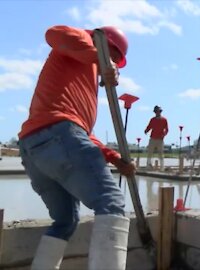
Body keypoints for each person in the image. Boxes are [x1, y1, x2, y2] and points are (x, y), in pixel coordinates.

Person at [18, 25, 135, 270]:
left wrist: (114, 158)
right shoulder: (82, 39)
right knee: (111, 202)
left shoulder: (83, 78)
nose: (112, 64)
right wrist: (100, 58)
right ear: (105, 44)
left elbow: (81, 133)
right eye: (113, 56)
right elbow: (52, 33)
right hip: (58, 134)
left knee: (65, 220)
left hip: (35, 145)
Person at [144, 105, 169, 170]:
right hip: (152, 138)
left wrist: (164, 134)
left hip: (160, 139)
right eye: (156, 111)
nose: (158, 113)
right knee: (150, 152)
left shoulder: (164, 120)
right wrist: (146, 130)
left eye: (159, 111)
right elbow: (149, 126)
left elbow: (166, 129)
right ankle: (148, 166)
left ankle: (162, 167)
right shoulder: (152, 119)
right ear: (155, 112)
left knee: (160, 153)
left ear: (160, 112)